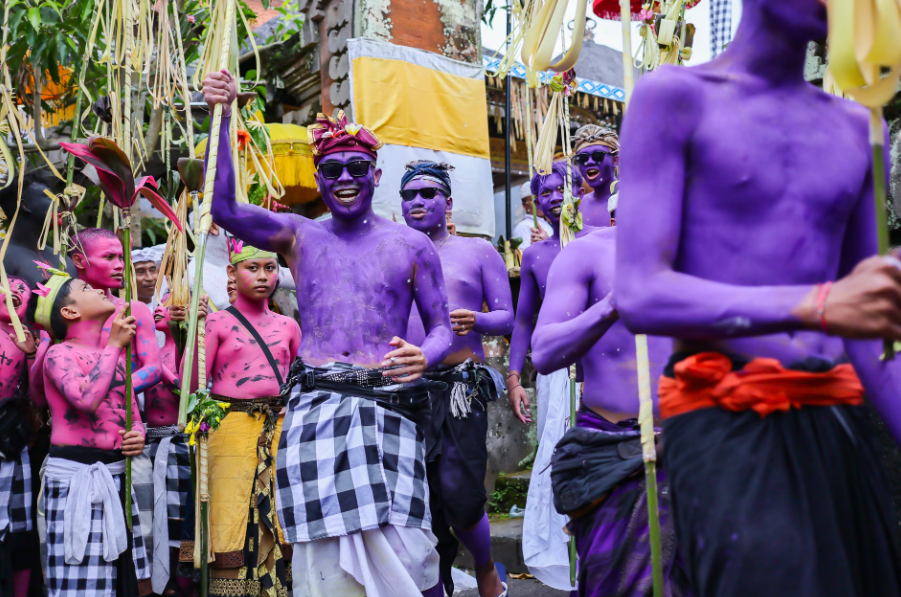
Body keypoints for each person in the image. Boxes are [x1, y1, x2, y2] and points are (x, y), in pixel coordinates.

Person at [615, 1, 901, 594]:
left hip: (837, 419)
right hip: (726, 420)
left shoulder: (862, 128)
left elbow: (870, 328)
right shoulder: (674, 96)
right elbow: (641, 293)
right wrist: (817, 305)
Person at [203, 69, 452, 597]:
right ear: (318, 178)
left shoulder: (411, 245)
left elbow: (441, 330)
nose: (345, 178)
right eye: (332, 169)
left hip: (388, 407)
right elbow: (224, 208)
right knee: (324, 557)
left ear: (375, 175)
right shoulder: (299, 236)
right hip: (316, 411)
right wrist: (221, 117)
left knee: (409, 549)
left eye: (357, 167)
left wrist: (425, 356)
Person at [530, 198, 691, 596]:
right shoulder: (586, 254)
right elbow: (545, 353)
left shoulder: (712, 252)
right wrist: (611, 306)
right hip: (612, 449)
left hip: (698, 449)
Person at [401, 161, 512, 597]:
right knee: (418, 500)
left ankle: (485, 569)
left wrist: (477, 319)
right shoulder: (392, 251)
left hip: (460, 389)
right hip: (404, 391)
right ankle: (436, 586)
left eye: (428, 193)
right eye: (409, 195)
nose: (417, 202)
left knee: (460, 497)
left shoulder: (477, 251)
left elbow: (506, 317)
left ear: (448, 203)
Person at [179, 242, 300, 597]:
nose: (263, 276)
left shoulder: (289, 325)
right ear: (232, 273)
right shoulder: (216, 322)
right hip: (228, 430)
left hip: (278, 431)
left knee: (279, 514)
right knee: (228, 515)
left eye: (270, 268)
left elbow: (300, 380)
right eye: (253, 268)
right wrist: (195, 328)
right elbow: (189, 383)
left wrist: (292, 403)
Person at [34, 264, 150, 597]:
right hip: (76, 477)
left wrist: (138, 434)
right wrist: (114, 345)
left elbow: (131, 414)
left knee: (124, 581)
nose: (98, 289)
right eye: (85, 289)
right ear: (69, 312)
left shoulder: (115, 357)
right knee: (80, 582)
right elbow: (85, 399)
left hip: (116, 474)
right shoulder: (59, 354)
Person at [506, 163, 592, 589]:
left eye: (562, 189)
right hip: (555, 373)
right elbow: (523, 320)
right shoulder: (536, 256)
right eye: (546, 193)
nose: (555, 198)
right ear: (536, 205)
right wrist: (514, 378)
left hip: (598, 371)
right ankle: (566, 554)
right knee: (558, 457)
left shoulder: (598, 242)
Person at [71, 228, 162, 564]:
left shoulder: (133, 310)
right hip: (75, 444)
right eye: (109, 257)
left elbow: (153, 368)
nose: (120, 264)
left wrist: (107, 392)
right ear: (80, 260)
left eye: (121, 257)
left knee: (137, 543)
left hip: (126, 435)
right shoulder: (63, 309)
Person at [143, 294, 199, 597]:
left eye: (169, 303)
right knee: (155, 521)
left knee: (180, 523)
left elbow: (187, 392)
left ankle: (183, 582)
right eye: (159, 304)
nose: (160, 309)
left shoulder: (189, 349)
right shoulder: (148, 348)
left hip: (179, 446)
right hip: (149, 445)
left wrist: (156, 366)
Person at [0, 277, 39, 597]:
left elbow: (40, 398)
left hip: (15, 448)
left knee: (21, 536)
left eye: (21, 289)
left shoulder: (35, 340)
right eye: (3, 286)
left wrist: (30, 355)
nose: (13, 291)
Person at [571, 125, 618, 228]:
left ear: (615, 160)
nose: (589, 162)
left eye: (598, 156)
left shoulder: (632, 200)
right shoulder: (577, 207)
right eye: (582, 158)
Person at [511, 182, 553, 250]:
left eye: (541, 198)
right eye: (533, 199)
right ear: (524, 205)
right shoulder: (523, 227)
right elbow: (523, 255)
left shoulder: (547, 223)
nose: (539, 202)